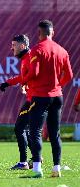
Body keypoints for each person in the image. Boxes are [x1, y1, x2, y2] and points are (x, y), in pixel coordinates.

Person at [22, 20, 73, 178]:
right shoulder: (62, 50)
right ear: (53, 33)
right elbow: (69, 75)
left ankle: (37, 169)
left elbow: (34, 72)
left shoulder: (36, 50)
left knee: (35, 132)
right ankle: (56, 167)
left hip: (40, 96)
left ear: (39, 33)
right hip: (57, 96)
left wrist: (24, 81)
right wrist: (58, 86)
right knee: (55, 133)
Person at [0, 34, 33, 170]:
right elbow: (24, 77)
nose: (11, 48)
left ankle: (24, 162)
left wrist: (20, 83)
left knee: (20, 128)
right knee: (28, 130)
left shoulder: (30, 57)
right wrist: (8, 83)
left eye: (14, 45)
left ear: (22, 46)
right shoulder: (26, 58)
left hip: (35, 98)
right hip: (34, 97)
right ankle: (36, 158)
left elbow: (31, 75)